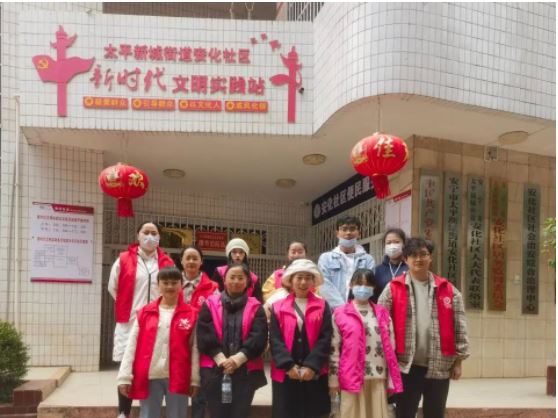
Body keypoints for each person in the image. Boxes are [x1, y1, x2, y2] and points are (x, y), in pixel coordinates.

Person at [378, 237, 469, 418]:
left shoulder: (449, 290)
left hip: (439, 365)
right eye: (413, 255)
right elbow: (380, 326)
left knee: (435, 413)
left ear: (430, 257)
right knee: (404, 413)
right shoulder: (393, 288)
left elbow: (460, 327)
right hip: (406, 366)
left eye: (423, 254)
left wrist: (458, 362)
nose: (418, 259)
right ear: (405, 259)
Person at [108, 221, 176, 418]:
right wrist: (129, 306)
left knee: (151, 366)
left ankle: (150, 410)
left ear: (159, 237)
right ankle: (124, 412)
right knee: (126, 368)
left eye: (154, 233)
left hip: (157, 323)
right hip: (129, 322)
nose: (150, 236)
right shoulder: (123, 259)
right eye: (146, 232)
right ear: (138, 235)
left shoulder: (167, 262)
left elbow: (173, 289)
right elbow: (113, 287)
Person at [117, 267, 199, 418]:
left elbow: (195, 348)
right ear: (158, 284)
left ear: (181, 284)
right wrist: (124, 376)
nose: (170, 286)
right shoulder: (145, 312)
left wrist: (195, 379)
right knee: (148, 415)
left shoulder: (191, 314)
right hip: (149, 376)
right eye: (165, 282)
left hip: (178, 376)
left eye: (174, 283)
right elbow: (131, 346)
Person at [197, 263, 268, 418]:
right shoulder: (210, 303)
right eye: (232, 277)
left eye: (240, 278)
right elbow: (204, 334)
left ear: (247, 281)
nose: (236, 281)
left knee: (240, 413)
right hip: (215, 369)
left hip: (245, 370)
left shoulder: (256, 307)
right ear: (224, 279)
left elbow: (259, 336)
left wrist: (237, 360)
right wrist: (222, 360)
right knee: (216, 413)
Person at [329, 269, 402, 418]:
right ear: (351, 285)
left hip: (378, 376)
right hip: (351, 377)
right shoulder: (340, 313)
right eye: (359, 283)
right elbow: (333, 349)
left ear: (374, 287)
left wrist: (391, 379)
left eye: (368, 284)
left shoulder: (383, 313)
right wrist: (333, 380)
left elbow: (391, 348)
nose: (363, 287)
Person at [269, 259, 333, 418]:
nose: (303, 282)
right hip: (286, 372)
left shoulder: (323, 306)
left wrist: (312, 366)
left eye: (308, 278)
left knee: (313, 413)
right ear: (291, 280)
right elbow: (275, 339)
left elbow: (325, 338)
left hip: (314, 372)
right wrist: (288, 365)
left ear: (313, 281)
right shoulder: (277, 306)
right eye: (299, 277)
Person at [179, 245, 219, 418]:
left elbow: (216, 316)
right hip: (177, 341)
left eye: (195, 258)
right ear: (181, 261)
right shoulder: (172, 283)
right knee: (178, 387)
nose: (191, 261)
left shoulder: (213, 287)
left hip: (201, 343)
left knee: (199, 388)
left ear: (201, 261)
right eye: (187, 258)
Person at [318, 216, 376, 310]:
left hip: (359, 311)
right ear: (337, 233)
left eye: (352, 229)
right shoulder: (326, 258)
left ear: (359, 233)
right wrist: (343, 310)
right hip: (333, 312)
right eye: (344, 229)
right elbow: (324, 285)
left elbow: (368, 285)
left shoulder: (368, 260)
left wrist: (354, 311)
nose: (348, 233)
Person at [211, 238, 263, 302]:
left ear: (245, 255)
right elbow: (213, 294)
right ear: (229, 254)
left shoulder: (254, 278)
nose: (238, 255)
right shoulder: (220, 272)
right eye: (234, 252)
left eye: (241, 252)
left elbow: (258, 302)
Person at [372, 228, 408, 304]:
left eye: (396, 242)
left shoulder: (410, 268)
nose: (392, 246)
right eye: (389, 243)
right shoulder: (378, 270)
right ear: (384, 246)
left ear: (404, 244)